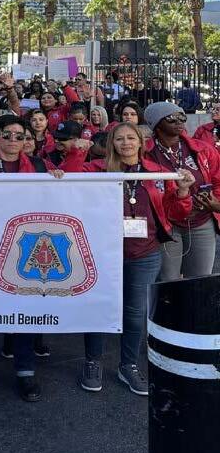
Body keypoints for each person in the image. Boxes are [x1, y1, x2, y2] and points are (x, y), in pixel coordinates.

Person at [62, 122, 194, 396]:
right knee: (98, 307)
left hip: (144, 252)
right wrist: (77, 152)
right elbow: (68, 183)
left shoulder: (157, 172)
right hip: (101, 252)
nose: (126, 143)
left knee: (135, 312)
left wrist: (183, 192)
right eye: (119, 138)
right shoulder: (95, 170)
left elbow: (175, 213)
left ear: (141, 142)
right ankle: (92, 361)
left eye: (131, 138)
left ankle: (129, 365)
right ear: (111, 143)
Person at [0, 115, 63, 403]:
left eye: (19, 136)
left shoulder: (39, 165)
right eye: (7, 134)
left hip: (24, 245)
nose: (13, 140)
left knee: (24, 307)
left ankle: (25, 371)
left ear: (26, 140)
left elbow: (64, 193)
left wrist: (63, 174)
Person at [144, 102, 220, 280]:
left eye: (182, 117)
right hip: (166, 226)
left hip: (201, 223)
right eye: (172, 118)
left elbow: (218, 180)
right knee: (168, 281)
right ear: (156, 124)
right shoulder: (145, 152)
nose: (179, 121)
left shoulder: (202, 149)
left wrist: (215, 203)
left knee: (200, 280)